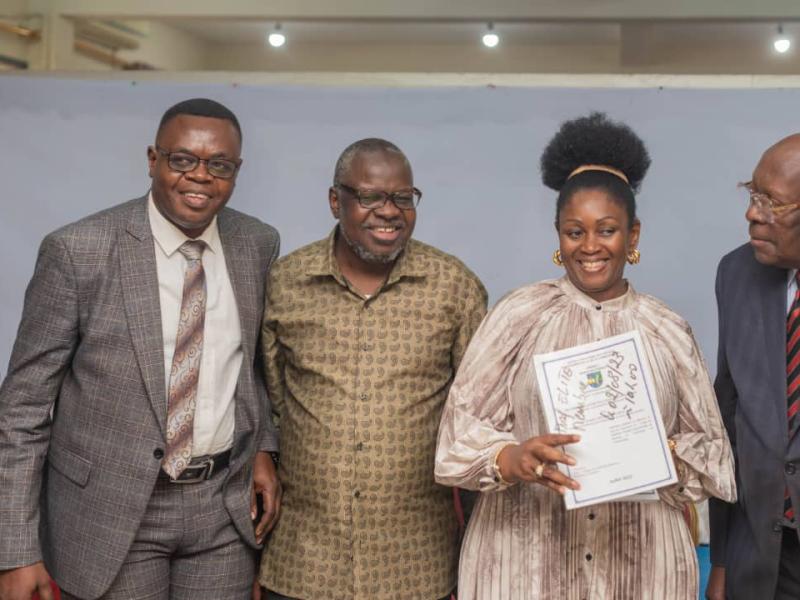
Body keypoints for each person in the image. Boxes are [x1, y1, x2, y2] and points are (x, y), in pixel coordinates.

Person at [435, 112, 736, 600]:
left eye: (607, 230)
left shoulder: (667, 330)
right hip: (525, 563)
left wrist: (665, 454)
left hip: (640, 568)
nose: (590, 247)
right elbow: (455, 439)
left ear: (632, 236)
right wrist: (512, 458)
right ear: (558, 236)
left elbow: (714, 456)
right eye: (575, 231)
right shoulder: (518, 316)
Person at [0, 98, 281, 600]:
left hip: (221, 510)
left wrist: (262, 446)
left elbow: (250, 364)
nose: (201, 177)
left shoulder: (257, 244)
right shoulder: (79, 250)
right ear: (153, 160)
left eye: (219, 165)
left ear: (236, 172)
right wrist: (16, 550)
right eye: (182, 160)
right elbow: (22, 409)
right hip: (111, 510)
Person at [258, 138, 487, 600]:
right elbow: (271, 399)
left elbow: (479, 413)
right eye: (369, 196)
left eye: (403, 198)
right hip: (304, 563)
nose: (389, 210)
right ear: (334, 201)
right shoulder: (287, 282)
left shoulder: (454, 287)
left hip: (414, 566)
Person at [707, 134, 800, 600]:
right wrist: (721, 558)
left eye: (772, 203)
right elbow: (728, 422)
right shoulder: (736, 274)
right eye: (752, 193)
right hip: (760, 558)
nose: (752, 213)